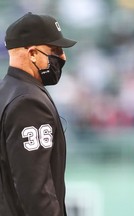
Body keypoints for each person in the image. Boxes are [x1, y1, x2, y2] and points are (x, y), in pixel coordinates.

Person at [0, 12, 76, 215]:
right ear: (32, 53)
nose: (62, 57)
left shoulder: (5, 92)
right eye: (55, 49)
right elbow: (36, 191)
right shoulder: (28, 102)